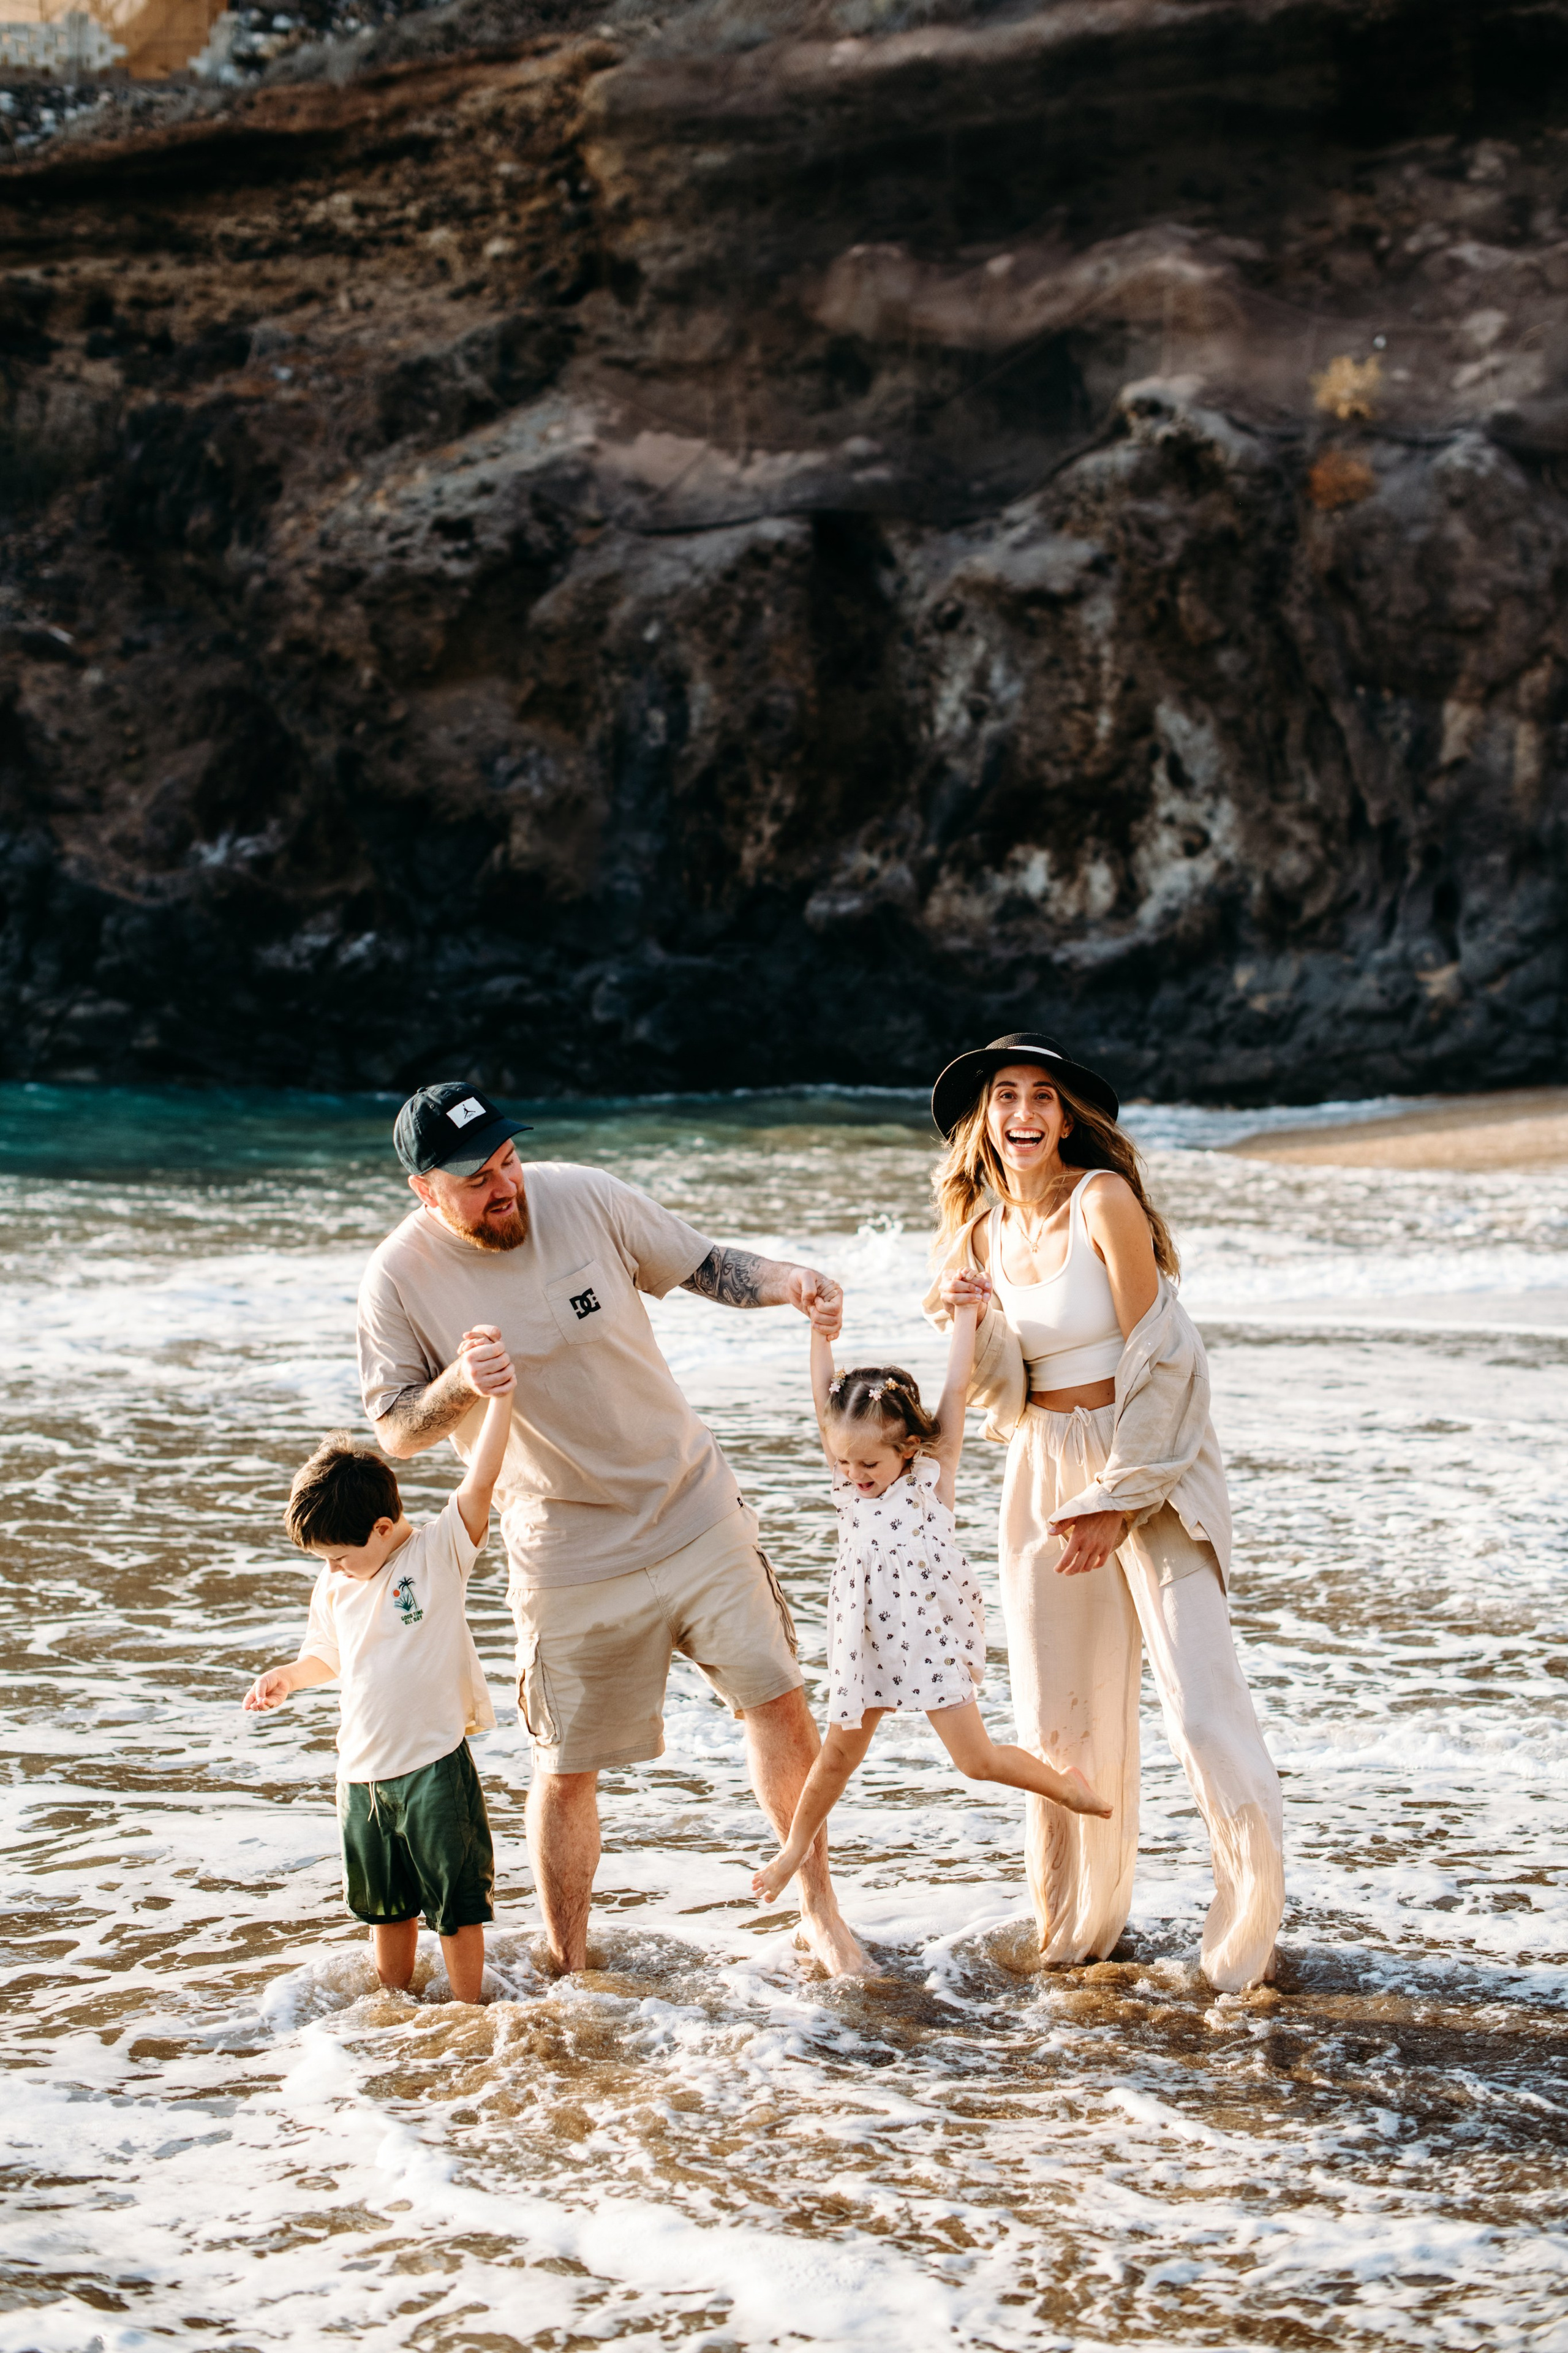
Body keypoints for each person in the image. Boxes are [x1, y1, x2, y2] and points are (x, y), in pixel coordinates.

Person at [356, 1081, 869, 1978]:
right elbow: (395, 1426)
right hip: (564, 1551)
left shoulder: (584, 1195)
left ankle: (820, 1917)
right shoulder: (397, 1278)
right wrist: (461, 1386)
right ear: (426, 1189)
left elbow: (704, 1263)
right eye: (476, 1178)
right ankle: (569, 1963)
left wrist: (791, 1282)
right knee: (566, 1768)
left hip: (694, 1507)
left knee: (779, 1705)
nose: (504, 1185)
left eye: (507, 1160)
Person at [924, 1031, 1284, 1992]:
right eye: (1005, 1096)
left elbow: (1166, 1360)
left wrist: (1118, 1500)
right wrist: (969, 1321)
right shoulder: (978, 1236)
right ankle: (1076, 1932)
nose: (1025, 1114)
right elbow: (999, 1404)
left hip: (1149, 1465)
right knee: (1057, 1724)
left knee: (1204, 1711)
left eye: (1043, 1096)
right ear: (984, 1120)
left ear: (1069, 1115)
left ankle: (1246, 1940)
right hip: (1043, 1473)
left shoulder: (1104, 1200)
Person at [752, 1304, 1111, 1906]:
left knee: (975, 1760)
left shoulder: (931, 1479)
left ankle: (1065, 1789)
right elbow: (824, 1403)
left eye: (868, 1463)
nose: (854, 1473)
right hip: (863, 1642)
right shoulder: (846, 1484)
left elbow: (954, 1386)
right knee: (836, 1756)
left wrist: (967, 1318)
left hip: (927, 1639)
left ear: (909, 1446)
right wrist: (820, 1335)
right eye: (844, 1462)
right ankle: (793, 1850)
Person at [242, 1341, 516, 2004]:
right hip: (360, 1774)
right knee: (386, 1908)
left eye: (339, 1556)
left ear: (386, 1527)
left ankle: (468, 2011)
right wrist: (289, 1676)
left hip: (432, 1763)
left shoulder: (435, 1554)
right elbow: (330, 1658)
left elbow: (479, 1482)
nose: (332, 1568)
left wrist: (499, 1398)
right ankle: (395, 2008)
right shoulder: (333, 1586)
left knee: (456, 1903)